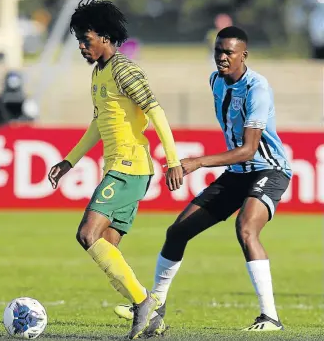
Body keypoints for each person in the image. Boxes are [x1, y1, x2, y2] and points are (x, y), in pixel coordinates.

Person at [114, 26, 292, 333]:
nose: (222, 58)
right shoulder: (215, 82)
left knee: (246, 228)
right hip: (237, 174)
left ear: (243, 55)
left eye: (229, 53)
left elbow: (249, 149)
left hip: (268, 170)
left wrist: (197, 162)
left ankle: (270, 317)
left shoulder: (257, 88)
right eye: (218, 51)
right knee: (178, 231)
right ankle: (154, 306)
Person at [47, 0, 183, 339]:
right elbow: (98, 123)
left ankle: (143, 302)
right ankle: (154, 319)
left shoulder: (125, 69)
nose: (81, 46)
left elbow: (156, 112)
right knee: (106, 244)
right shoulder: (99, 72)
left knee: (86, 234)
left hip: (129, 167)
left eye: (86, 39)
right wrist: (69, 160)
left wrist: (174, 160)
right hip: (125, 169)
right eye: (78, 39)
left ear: (105, 36)